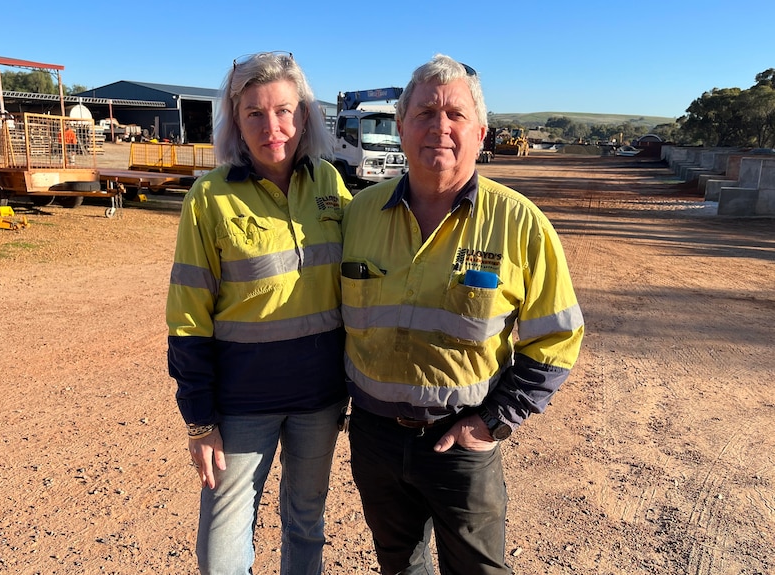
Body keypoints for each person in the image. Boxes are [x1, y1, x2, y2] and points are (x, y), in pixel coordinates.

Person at [340, 54, 585, 574]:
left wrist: (493, 423)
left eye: (455, 115)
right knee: (399, 565)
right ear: (401, 126)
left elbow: (558, 337)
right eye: (425, 113)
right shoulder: (358, 214)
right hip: (375, 438)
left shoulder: (521, 224)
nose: (439, 128)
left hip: (461, 443)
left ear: (481, 133)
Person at [166, 51, 352, 575]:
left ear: (305, 116)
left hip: (319, 400)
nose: (273, 126)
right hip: (242, 403)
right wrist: (200, 421)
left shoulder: (332, 187)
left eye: (285, 110)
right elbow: (187, 317)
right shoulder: (209, 198)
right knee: (222, 544)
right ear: (235, 120)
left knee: (305, 523)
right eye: (255, 113)